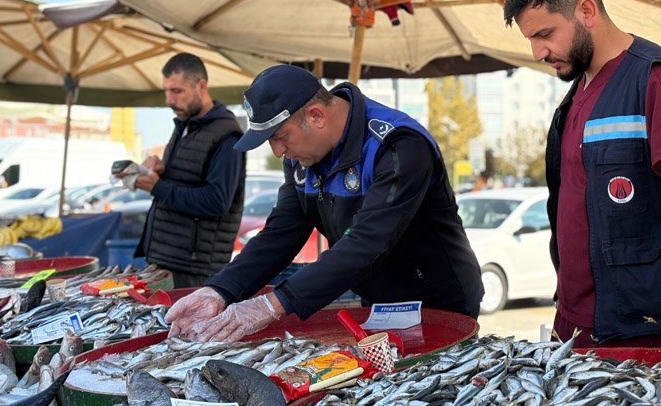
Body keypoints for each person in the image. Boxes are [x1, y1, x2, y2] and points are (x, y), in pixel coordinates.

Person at [503, 0, 661, 351]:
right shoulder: (572, 101)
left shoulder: (657, 80)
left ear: (586, 11)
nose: (538, 53)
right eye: (530, 40)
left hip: (642, 335)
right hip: (574, 327)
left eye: (545, 34)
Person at [166, 64, 483, 342]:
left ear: (316, 116)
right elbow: (282, 232)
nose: (277, 151)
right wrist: (220, 290)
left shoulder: (398, 146)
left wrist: (271, 305)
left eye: (280, 137)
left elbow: (366, 243)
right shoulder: (302, 157)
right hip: (376, 305)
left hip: (439, 303)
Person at [130, 53, 246, 288]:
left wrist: (158, 187)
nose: (169, 100)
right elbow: (186, 180)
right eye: (166, 91)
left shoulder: (226, 136)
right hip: (167, 259)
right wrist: (159, 169)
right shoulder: (185, 125)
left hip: (194, 269)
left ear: (201, 86)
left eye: (177, 91)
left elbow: (216, 202)